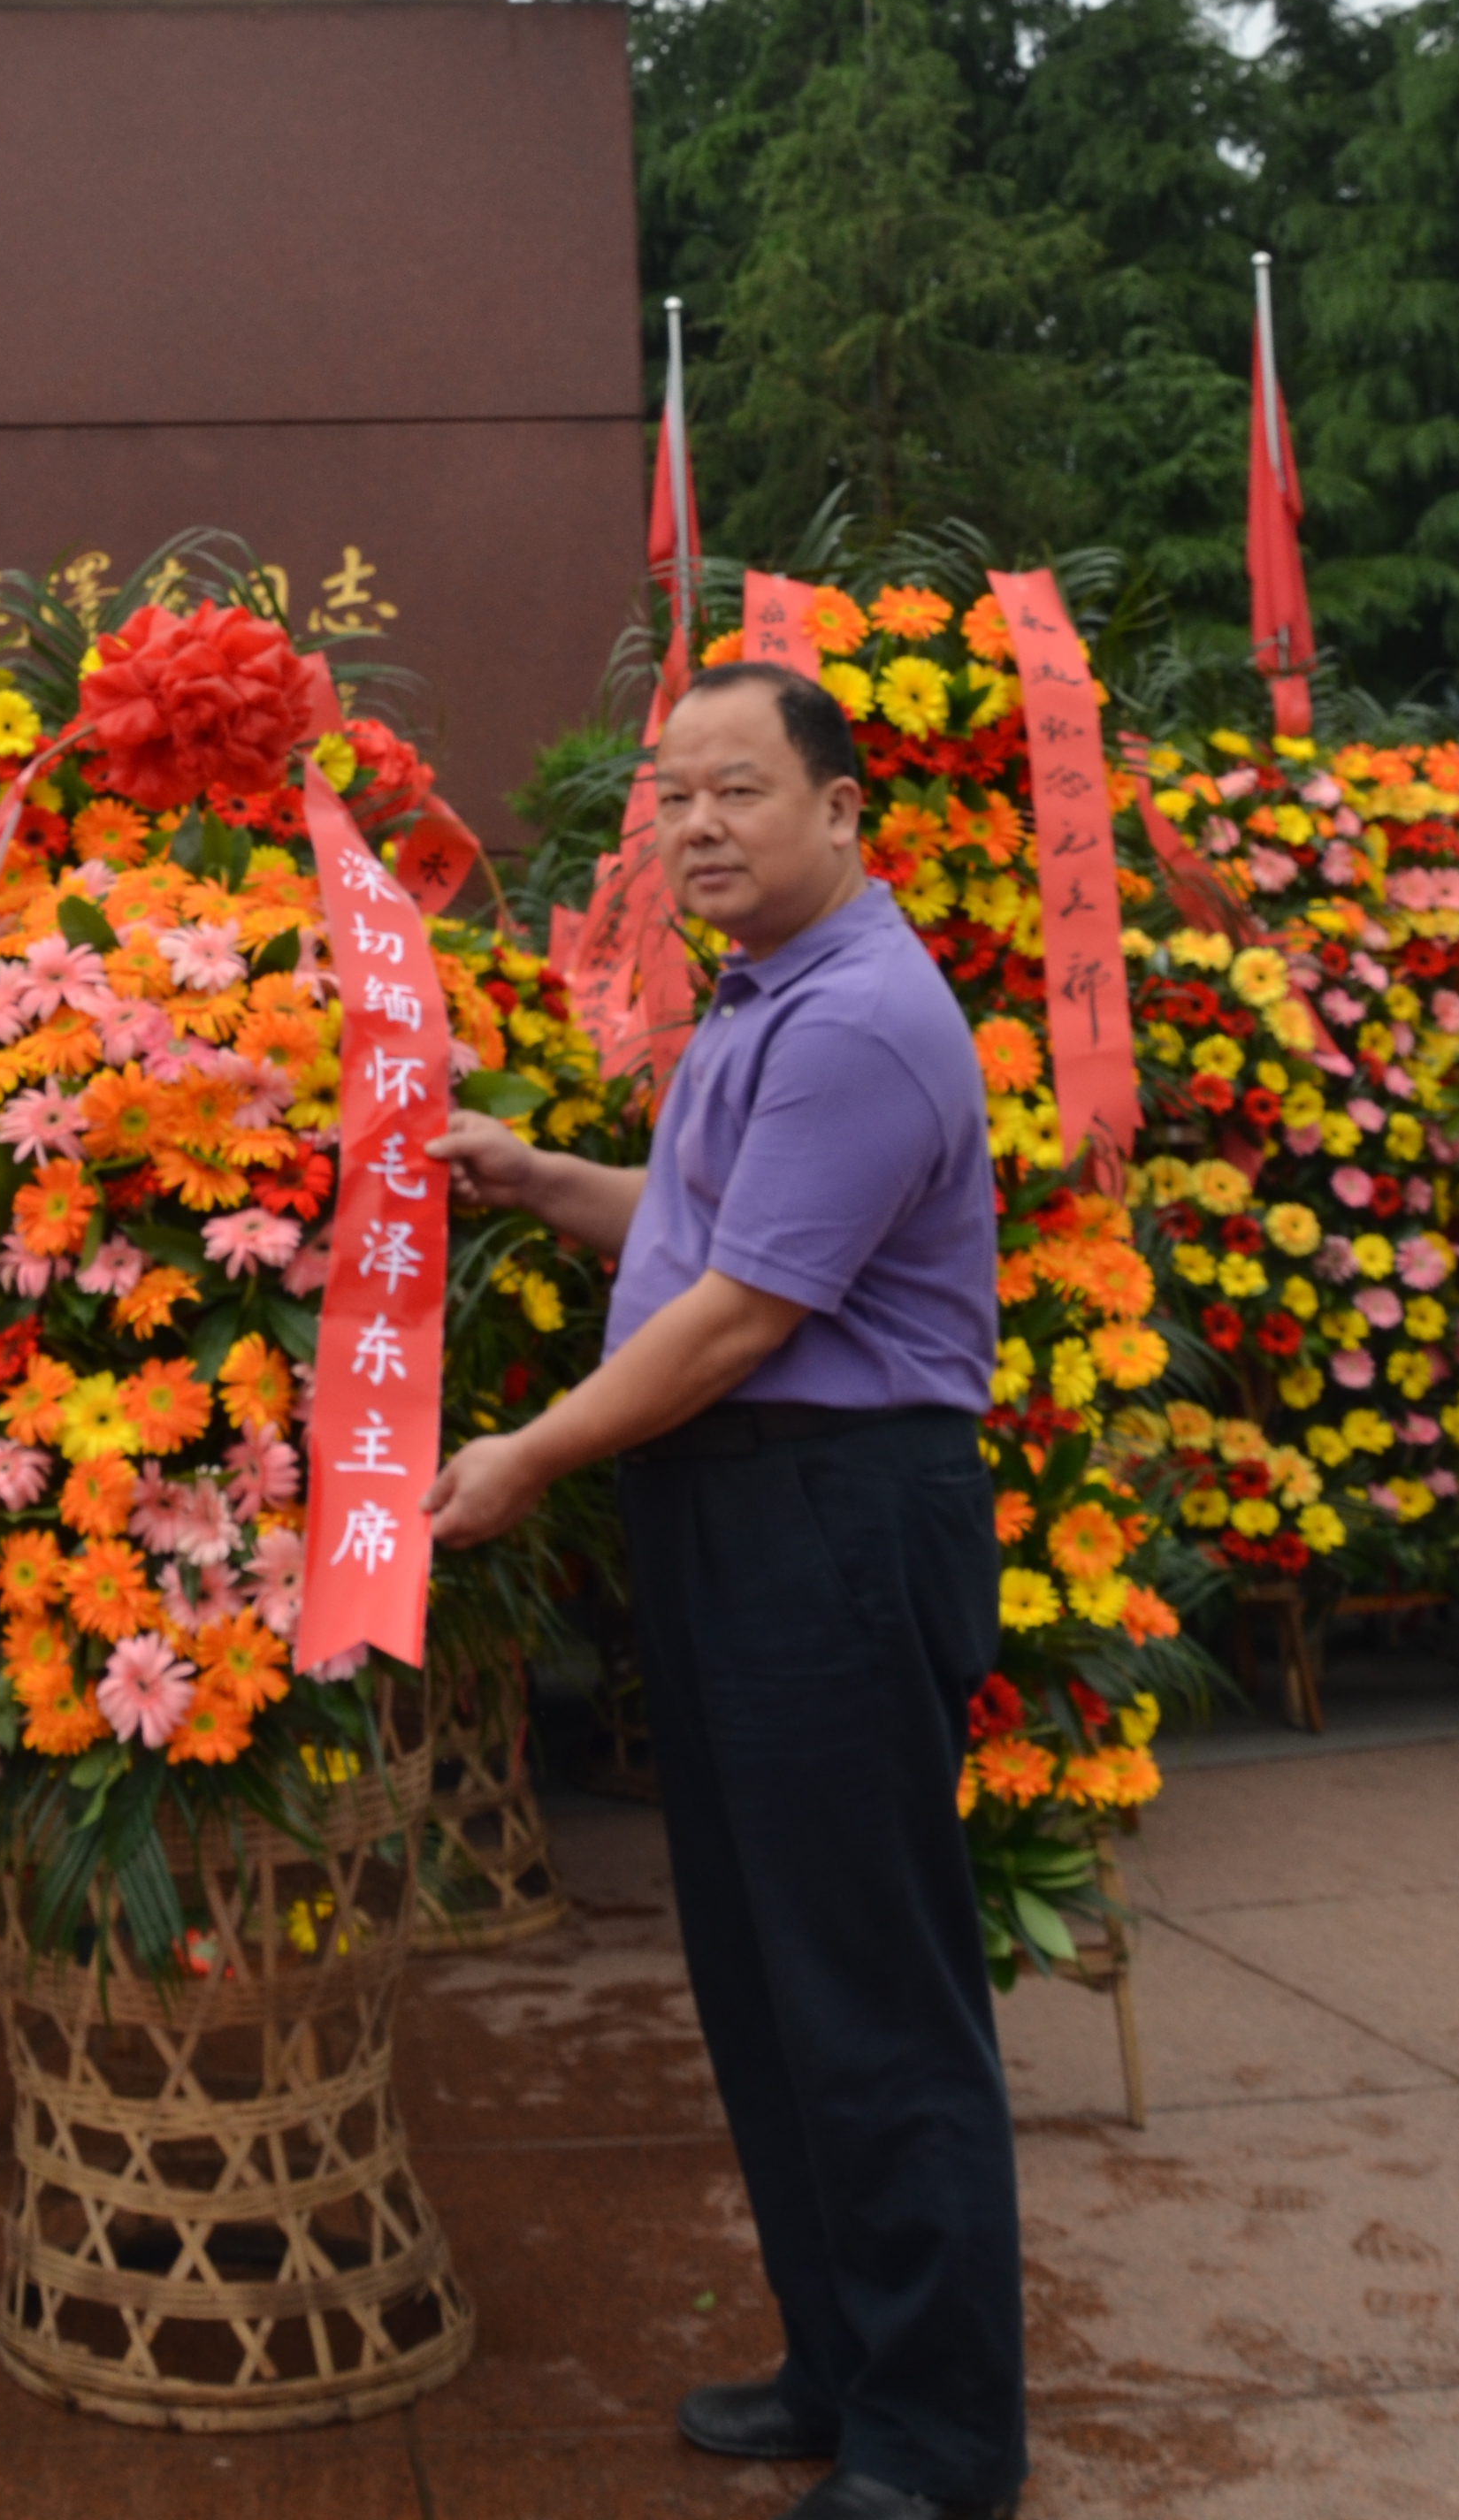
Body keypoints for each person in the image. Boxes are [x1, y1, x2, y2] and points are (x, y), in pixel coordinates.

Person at [426, 661, 1026, 2520]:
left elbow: (744, 1318)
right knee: (767, 1976)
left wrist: (526, 1455)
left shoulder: (856, 1015)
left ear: (844, 810)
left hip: (829, 1520)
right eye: (672, 796)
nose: (695, 825)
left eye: (739, 791)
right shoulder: (766, 998)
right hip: (745, 1519)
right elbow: (701, 1233)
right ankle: (839, 2359)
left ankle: (936, 2439)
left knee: (864, 1983)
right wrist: (534, 1179)